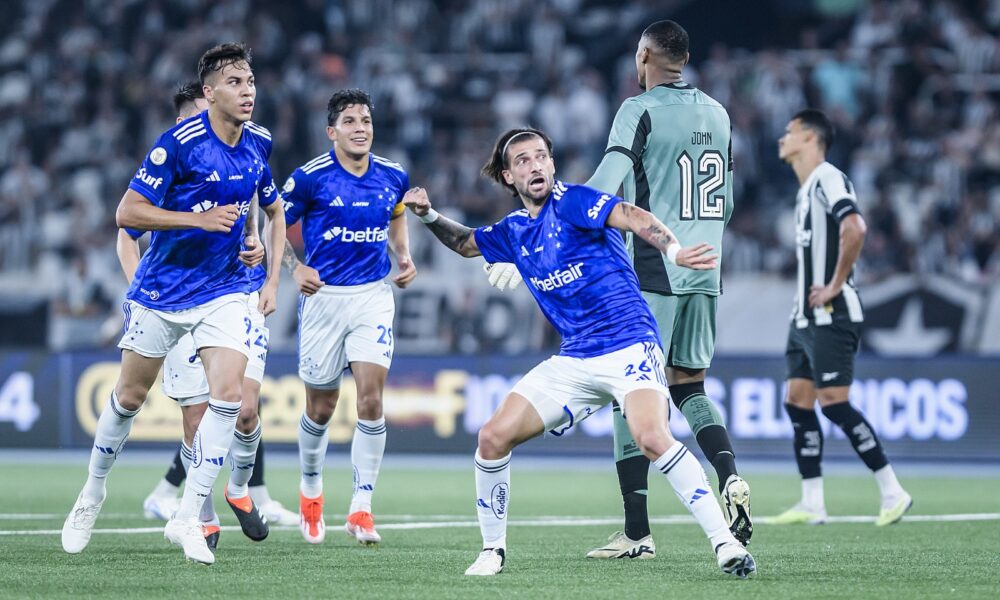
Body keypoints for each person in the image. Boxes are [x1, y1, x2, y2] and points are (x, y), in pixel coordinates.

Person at [404, 127, 755, 578]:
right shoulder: (515, 231)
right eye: (524, 161)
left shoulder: (572, 201)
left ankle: (724, 543)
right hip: (575, 359)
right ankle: (492, 550)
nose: (535, 166)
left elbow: (629, 214)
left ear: (552, 164)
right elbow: (467, 243)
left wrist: (674, 249)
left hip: (629, 343)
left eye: (541, 157)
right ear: (509, 177)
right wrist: (429, 214)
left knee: (651, 437)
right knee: (492, 438)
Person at [485, 20, 753, 556]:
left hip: (657, 268)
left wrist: (540, 240)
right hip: (706, 267)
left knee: (626, 394)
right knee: (689, 386)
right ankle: (729, 474)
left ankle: (637, 531)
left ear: (645, 55)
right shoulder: (719, 113)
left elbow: (604, 188)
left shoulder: (639, 108)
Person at [61, 43, 285, 565]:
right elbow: (127, 213)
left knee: (227, 399)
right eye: (234, 82)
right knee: (128, 398)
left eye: (250, 80)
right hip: (165, 288)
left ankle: (188, 516)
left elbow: (272, 210)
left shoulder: (260, 144)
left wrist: (263, 261)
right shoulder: (178, 144)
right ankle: (92, 493)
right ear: (209, 93)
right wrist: (197, 221)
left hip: (226, 289)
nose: (247, 90)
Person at [122, 82, 297, 545]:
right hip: (175, 300)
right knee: (197, 419)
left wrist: (267, 258)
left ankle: (240, 489)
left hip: (234, 296)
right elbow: (126, 231)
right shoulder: (169, 164)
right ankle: (201, 511)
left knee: (244, 408)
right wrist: (143, 293)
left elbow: (264, 212)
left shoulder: (246, 149)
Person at [279, 89, 416, 546]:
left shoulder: (393, 175)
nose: (361, 128)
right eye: (351, 121)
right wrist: (294, 267)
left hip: (372, 297)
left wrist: (404, 255)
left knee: (371, 402)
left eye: (367, 121)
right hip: (323, 299)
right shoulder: (310, 178)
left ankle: (361, 507)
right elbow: (272, 223)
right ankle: (311, 489)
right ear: (331, 131)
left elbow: (397, 215)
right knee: (321, 408)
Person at [772, 108, 911, 526]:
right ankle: (812, 502)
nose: (782, 137)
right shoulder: (804, 190)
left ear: (810, 139)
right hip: (805, 318)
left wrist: (834, 284)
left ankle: (893, 491)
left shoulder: (829, 178)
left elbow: (856, 227)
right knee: (798, 403)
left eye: (789, 130)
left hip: (832, 312)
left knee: (834, 403)